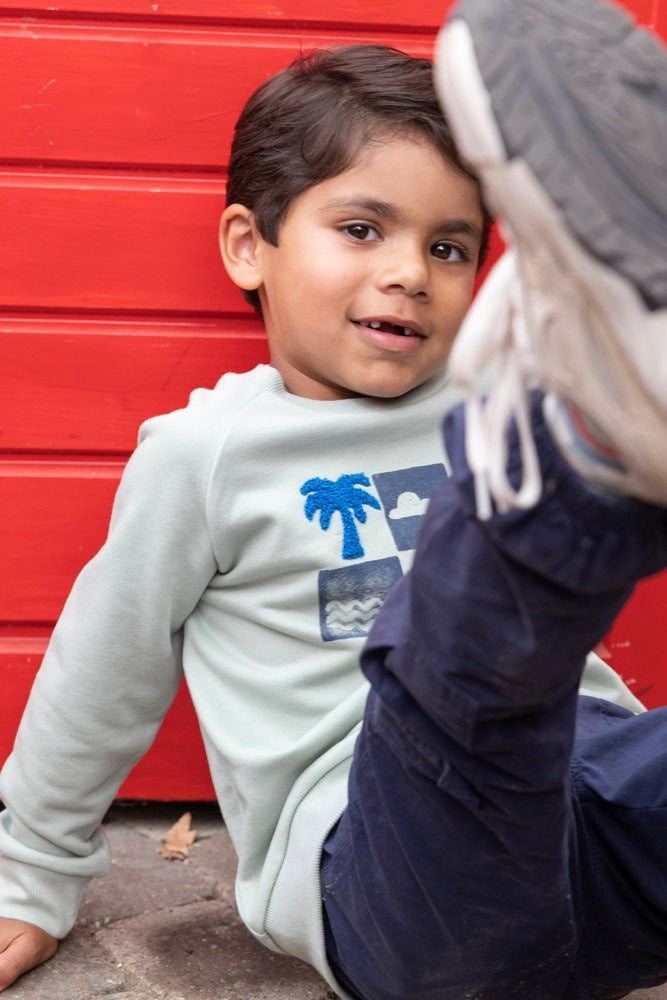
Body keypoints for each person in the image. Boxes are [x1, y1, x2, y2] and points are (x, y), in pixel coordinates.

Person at [1, 2, 666, 998]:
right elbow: (100, 675)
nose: (409, 273)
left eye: (451, 249)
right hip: (388, 859)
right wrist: (29, 876)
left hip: (593, 801)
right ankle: (592, 436)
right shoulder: (208, 454)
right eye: (361, 229)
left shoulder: (480, 388)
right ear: (248, 245)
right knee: (493, 550)